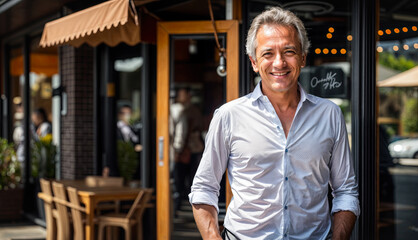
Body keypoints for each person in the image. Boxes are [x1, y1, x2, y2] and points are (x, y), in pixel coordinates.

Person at [189, 7, 359, 240]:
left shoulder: (330, 114)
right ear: (254, 62)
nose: (279, 62)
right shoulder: (228, 116)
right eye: (268, 53)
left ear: (302, 58)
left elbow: (345, 191)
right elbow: (204, 188)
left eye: (288, 51)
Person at [171, 87, 205, 216]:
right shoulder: (181, 109)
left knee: (187, 179)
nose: (180, 96)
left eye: (182, 94)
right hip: (189, 149)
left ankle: (186, 207)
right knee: (182, 179)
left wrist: (179, 149)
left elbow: (185, 131)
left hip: (190, 149)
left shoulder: (189, 110)